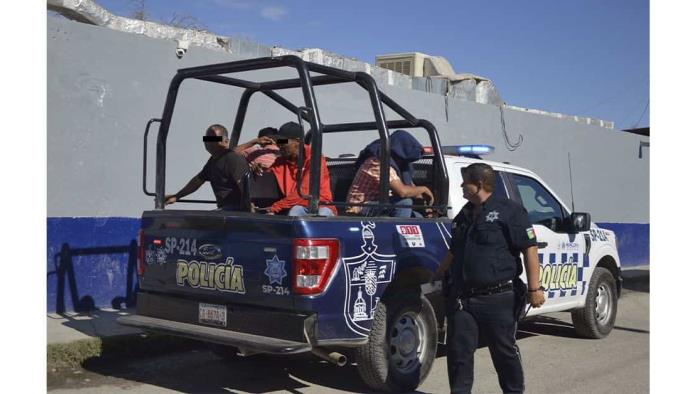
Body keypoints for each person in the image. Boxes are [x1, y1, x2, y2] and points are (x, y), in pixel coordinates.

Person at [436, 163, 545, 394]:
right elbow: (454, 251)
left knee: (504, 352)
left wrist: (535, 289)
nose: (461, 186)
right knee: (459, 354)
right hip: (462, 299)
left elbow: (530, 249)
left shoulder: (510, 211)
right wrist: (435, 276)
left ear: (480, 184)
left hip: (498, 298)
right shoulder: (464, 215)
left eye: (465, 182)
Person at [345, 129, 434, 217]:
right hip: (359, 208)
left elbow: (412, 189)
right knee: (404, 203)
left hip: (379, 205)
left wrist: (424, 206)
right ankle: (397, 231)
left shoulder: (397, 165)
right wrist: (425, 189)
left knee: (419, 217)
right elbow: (403, 192)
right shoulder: (378, 162)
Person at [165, 124, 249, 210]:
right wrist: (177, 196)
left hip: (237, 209)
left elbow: (244, 184)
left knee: (205, 221)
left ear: (226, 141)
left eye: (214, 139)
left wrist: (250, 208)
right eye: (207, 139)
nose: (209, 142)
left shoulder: (232, 158)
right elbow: (198, 181)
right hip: (225, 209)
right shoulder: (213, 161)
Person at [267, 121, 336, 216]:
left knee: (322, 215)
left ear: (298, 141)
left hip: (320, 205)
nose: (280, 146)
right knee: (294, 212)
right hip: (296, 205)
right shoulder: (279, 162)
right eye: (279, 142)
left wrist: (275, 207)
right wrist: (255, 169)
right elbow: (264, 178)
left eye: (284, 141)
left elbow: (304, 192)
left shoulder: (315, 158)